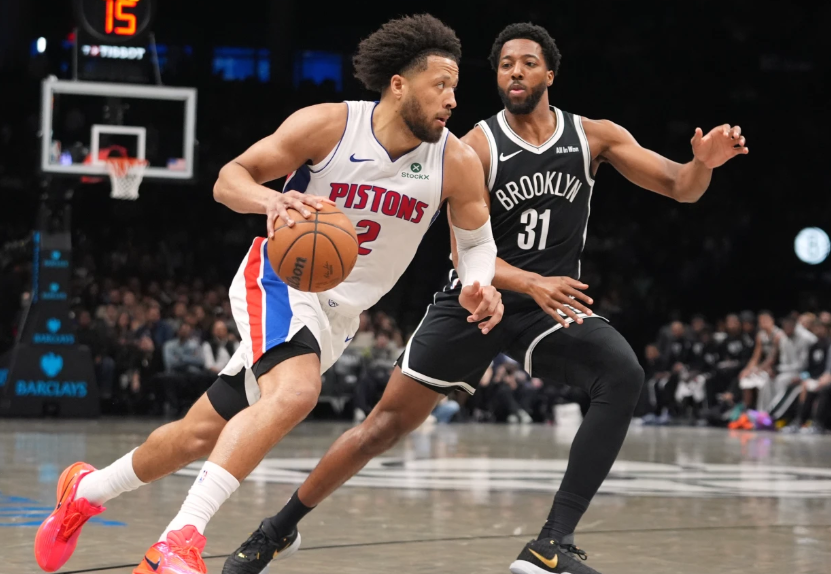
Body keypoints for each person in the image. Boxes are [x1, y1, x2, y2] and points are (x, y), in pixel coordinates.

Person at [222, 22, 748, 574]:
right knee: (381, 428)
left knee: (623, 374)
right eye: (505, 65)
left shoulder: (594, 136)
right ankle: (276, 528)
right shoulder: (474, 147)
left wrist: (703, 164)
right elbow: (466, 254)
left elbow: (680, 186)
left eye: (527, 62)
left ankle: (552, 544)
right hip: (474, 301)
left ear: (550, 74)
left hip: (546, 307)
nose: (515, 72)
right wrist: (529, 282)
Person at [33, 15, 503, 574]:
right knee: (297, 392)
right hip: (281, 278)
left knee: (199, 434)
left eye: (455, 87)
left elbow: (477, 242)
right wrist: (271, 202)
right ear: (398, 84)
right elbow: (229, 178)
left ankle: (84, 492)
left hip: (338, 318)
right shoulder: (329, 126)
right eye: (440, 84)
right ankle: (178, 541)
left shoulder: (455, 161)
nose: (452, 99)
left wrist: (479, 283)